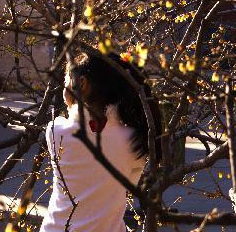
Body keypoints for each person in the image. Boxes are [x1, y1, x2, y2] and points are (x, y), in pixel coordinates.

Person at [40, 51, 161, 232]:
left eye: (66, 82)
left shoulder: (56, 131)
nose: (63, 87)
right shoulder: (133, 141)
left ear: (81, 84)